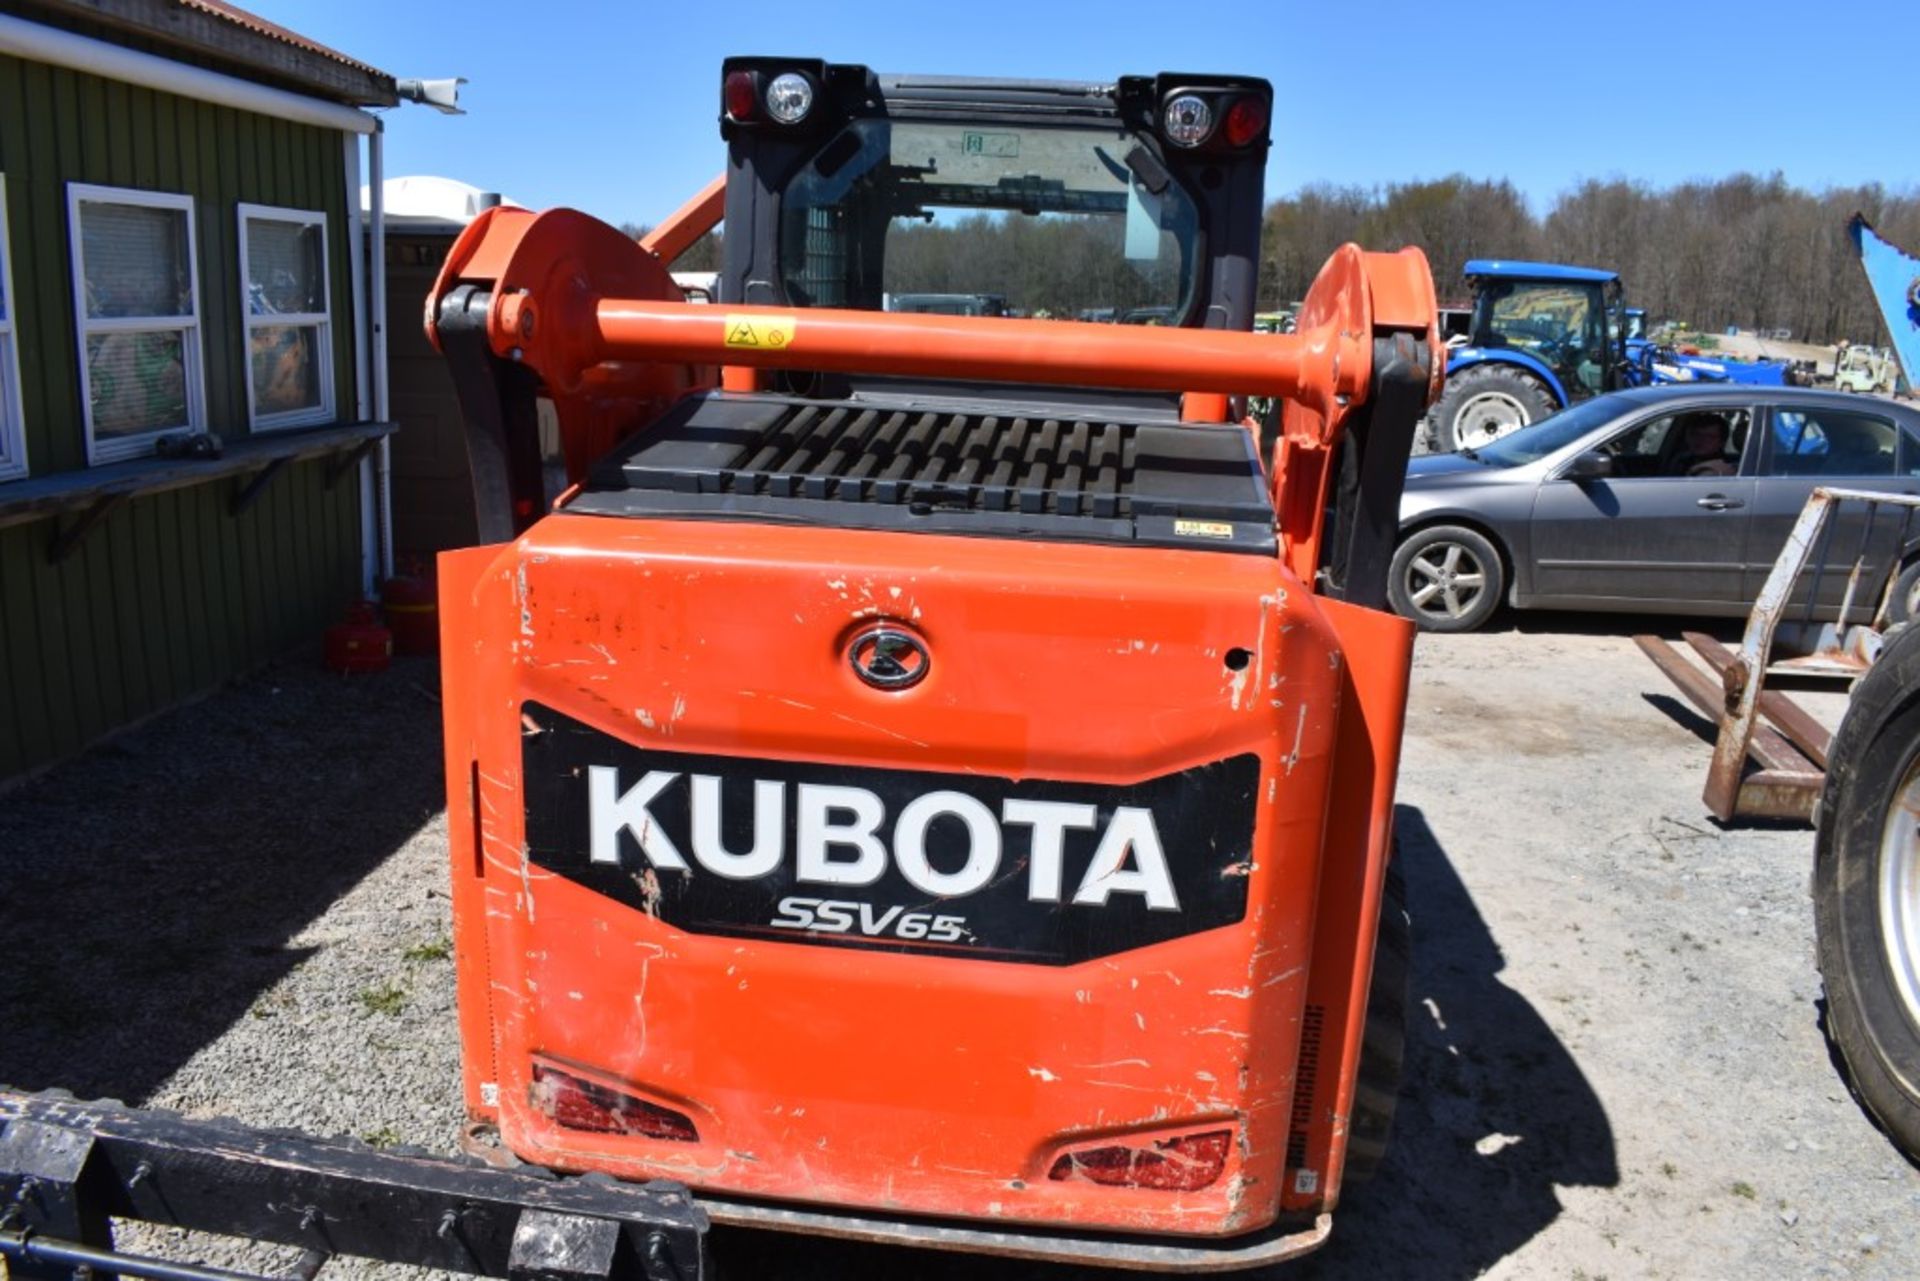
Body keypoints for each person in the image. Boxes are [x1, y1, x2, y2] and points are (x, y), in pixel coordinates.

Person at [1668, 412, 1735, 477]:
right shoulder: (1681, 461)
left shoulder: (1722, 468)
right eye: (1696, 434)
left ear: (1721, 442)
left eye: (1709, 437)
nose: (1700, 440)